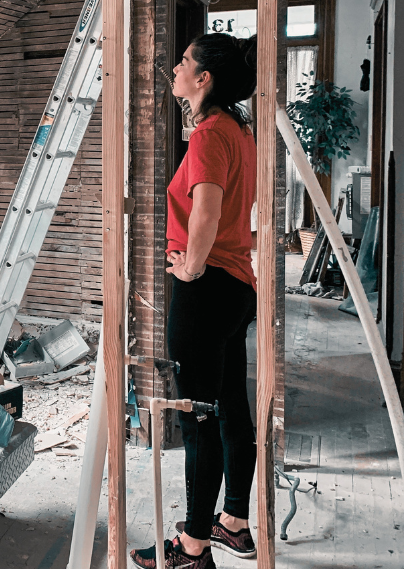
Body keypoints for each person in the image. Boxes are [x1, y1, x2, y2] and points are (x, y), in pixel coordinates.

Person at [131, 33, 259, 569]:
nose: (177, 67)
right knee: (229, 409)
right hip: (237, 287)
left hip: (205, 291)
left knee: (196, 418)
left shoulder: (210, 134)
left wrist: (192, 265)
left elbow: (206, 210)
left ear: (203, 79)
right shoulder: (235, 129)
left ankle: (193, 548)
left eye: (184, 61)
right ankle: (233, 522)